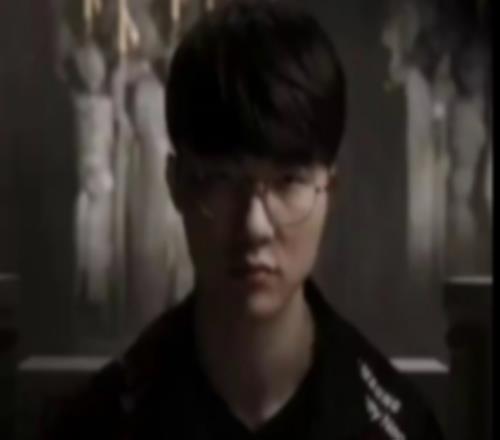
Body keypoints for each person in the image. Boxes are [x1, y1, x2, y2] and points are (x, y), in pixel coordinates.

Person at [47, 1, 444, 438]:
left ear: (329, 191)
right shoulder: (98, 426)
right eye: (222, 181)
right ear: (177, 185)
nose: (255, 226)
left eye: (288, 181)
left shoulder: (397, 428)